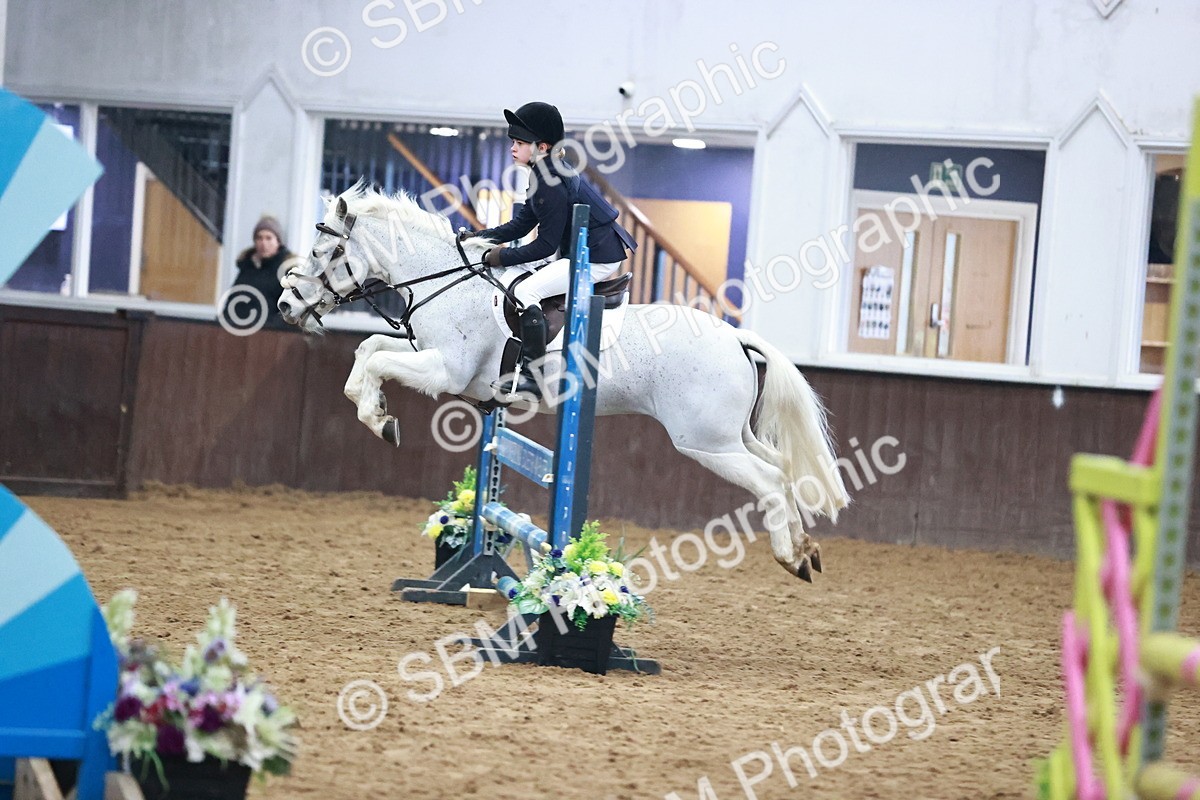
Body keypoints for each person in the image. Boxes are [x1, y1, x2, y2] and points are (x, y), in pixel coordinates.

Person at [470, 102, 635, 399]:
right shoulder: (544, 172)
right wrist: (479, 239)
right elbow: (522, 224)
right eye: (513, 141)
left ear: (542, 147)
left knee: (526, 291)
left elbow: (545, 245)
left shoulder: (550, 180)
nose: (513, 148)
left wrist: (501, 256)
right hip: (585, 251)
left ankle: (532, 378)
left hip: (596, 258)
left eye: (520, 143)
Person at [228, 216, 292, 329]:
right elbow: (233, 300)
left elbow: (288, 310)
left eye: (268, 238)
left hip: (269, 332)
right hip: (237, 329)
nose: (263, 243)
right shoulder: (246, 266)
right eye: (259, 238)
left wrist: (271, 326)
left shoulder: (286, 272)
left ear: (278, 241)